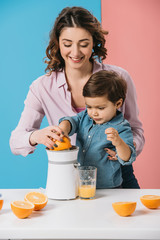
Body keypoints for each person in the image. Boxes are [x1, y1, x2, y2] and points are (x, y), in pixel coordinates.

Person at [9, 6, 144, 188]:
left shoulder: (119, 78)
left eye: (83, 44)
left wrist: (123, 147)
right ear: (57, 43)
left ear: (94, 42)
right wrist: (37, 136)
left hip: (117, 176)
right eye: (67, 44)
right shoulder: (42, 87)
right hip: (68, 177)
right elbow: (15, 141)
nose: (75, 52)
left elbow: (136, 130)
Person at [56, 70, 136, 188]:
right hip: (82, 184)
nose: (93, 113)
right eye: (89, 106)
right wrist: (63, 128)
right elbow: (71, 121)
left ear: (118, 104)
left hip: (109, 188)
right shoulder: (85, 117)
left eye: (100, 108)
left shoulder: (121, 127)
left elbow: (127, 157)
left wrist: (119, 143)